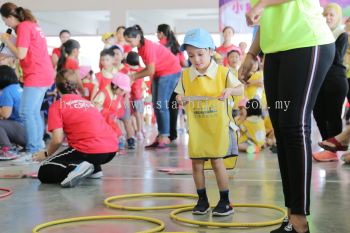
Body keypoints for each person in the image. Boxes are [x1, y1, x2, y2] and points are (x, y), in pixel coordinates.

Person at [239, 0, 335, 232]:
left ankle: (300, 222)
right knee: (282, 130)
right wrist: (252, 52)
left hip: (306, 42)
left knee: (294, 127)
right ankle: (292, 215)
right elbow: (269, 19)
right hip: (274, 51)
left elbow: (265, 8)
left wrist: (260, 5)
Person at [175, 28, 244, 216]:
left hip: (217, 126)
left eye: (200, 54)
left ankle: (225, 200)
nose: (196, 59)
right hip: (197, 126)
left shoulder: (223, 73)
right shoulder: (186, 74)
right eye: (191, 55)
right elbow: (179, 92)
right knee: (196, 163)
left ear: (211, 51)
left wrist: (230, 91)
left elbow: (240, 89)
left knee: (216, 161)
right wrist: (180, 98)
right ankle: (202, 200)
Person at [33, 69, 118, 187]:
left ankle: (76, 168)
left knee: (44, 170)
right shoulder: (87, 102)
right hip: (111, 149)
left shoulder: (58, 105)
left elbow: (57, 139)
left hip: (90, 150)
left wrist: (46, 154)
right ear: (76, 86)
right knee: (74, 149)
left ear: (57, 87)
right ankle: (94, 169)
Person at [0, 2, 54, 155]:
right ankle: (38, 146)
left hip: (36, 73)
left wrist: (6, 40)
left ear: (10, 17)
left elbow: (21, 54)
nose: (6, 24)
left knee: (26, 112)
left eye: (5, 21)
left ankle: (33, 149)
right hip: (43, 72)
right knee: (33, 112)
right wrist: (9, 45)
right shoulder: (31, 25)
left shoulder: (24, 27)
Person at [124, 25, 182, 148]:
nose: (128, 43)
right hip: (160, 73)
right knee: (157, 105)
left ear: (138, 37)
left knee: (161, 105)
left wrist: (134, 77)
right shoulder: (141, 48)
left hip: (170, 72)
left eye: (130, 40)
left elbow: (150, 70)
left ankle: (165, 137)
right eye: (127, 41)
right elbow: (151, 69)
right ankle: (161, 135)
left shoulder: (147, 47)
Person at [312, 3, 349, 162]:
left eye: (331, 15)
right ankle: (328, 145)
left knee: (333, 115)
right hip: (319, 80)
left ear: (337, 17)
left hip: (335, 79)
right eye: (325, 15)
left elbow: (335, 58)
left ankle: (333, 151)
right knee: (318, 113)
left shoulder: (341, 34)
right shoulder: (316, 34)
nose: (328, 18)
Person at [157, 24, 186, 143]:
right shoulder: (176, 46)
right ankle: (173, 134)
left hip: (164, 78)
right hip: (177, 78)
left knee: (162, 105)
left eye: (157, 33)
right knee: (173, 106)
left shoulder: (159, 46)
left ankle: (165, 133)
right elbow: (183, 63)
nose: (157, 35)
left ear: (162, 33)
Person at [0, 65, 25, 160]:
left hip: (22, 132)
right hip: (30, 132)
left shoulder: (7, 91)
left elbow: (5, 114)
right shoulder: (17, 87)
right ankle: (11, 146)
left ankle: (7, 150)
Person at [126, 51, 145, 141]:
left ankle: (138, 131)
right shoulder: (141, 69)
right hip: (139, 95)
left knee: (134, 114)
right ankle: (140, 130)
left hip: (132, 95)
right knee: (139, 114)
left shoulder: (128, 70)